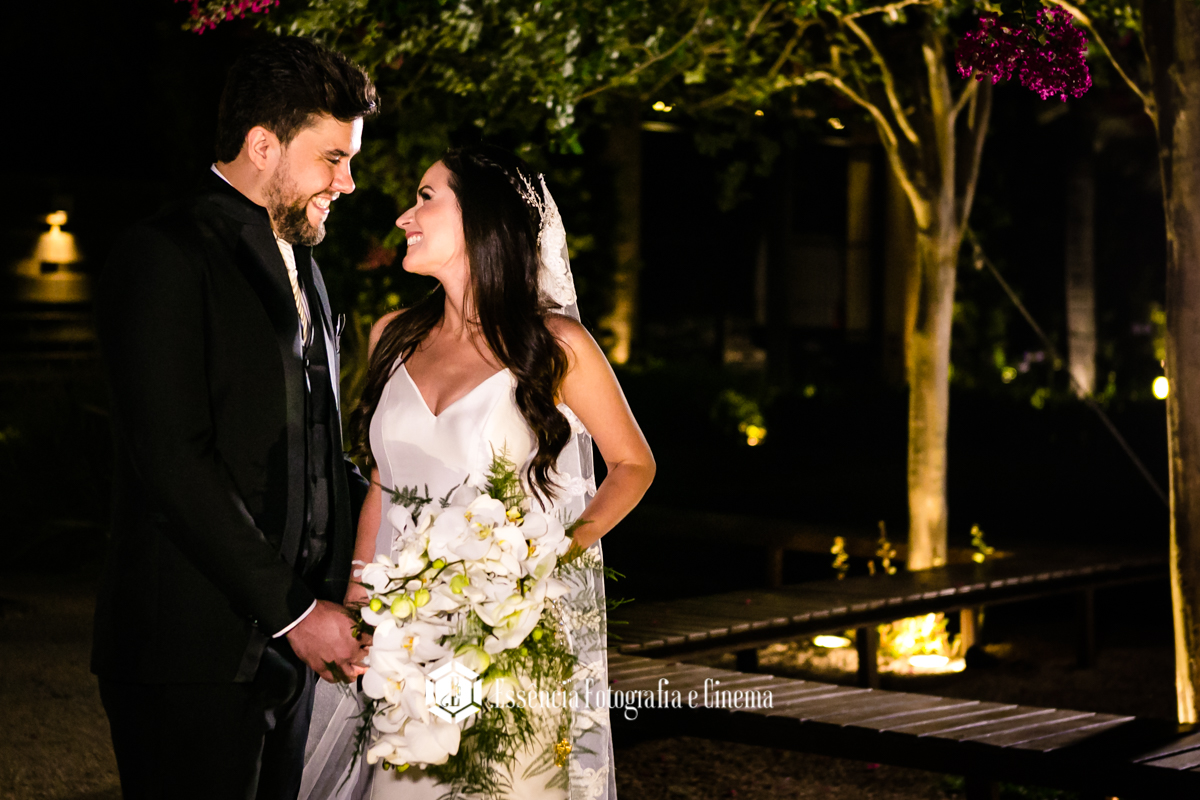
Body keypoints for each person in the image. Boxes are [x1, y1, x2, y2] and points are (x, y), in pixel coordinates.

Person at [301, 145, 654, 800]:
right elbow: (383, 485)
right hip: (405, 634)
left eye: (425, 197)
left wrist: (548, 560)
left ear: (481, 220)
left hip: (507, 639)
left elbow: (634, 464)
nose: (404, 217)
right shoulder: (393, 336)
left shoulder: (554, 345)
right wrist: (357, 605)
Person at [93, 37, 376, 800]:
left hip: (288, 659)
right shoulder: (163, 254)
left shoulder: (306, 263)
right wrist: (295, 613)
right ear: (262, 145)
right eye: (333, 159)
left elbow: (314, 454)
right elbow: (172, 461)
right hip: (188, 654)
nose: (348, 183)